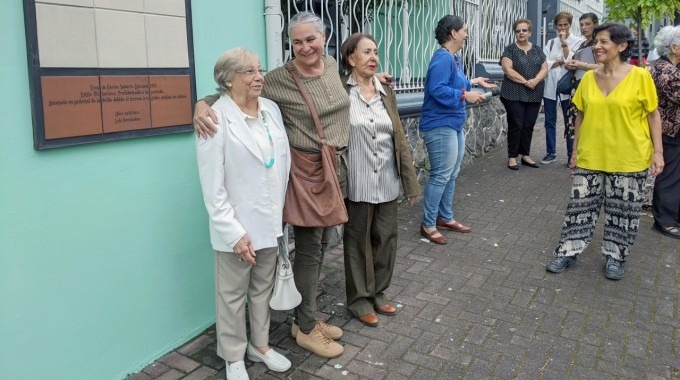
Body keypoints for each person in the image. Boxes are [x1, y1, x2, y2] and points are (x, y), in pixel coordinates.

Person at [193, 12, 397, 359]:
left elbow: (345, 89)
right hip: (305, 174)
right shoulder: (279, 79)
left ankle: (308, 316)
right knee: (309, 248)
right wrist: (199, 104)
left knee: (322, 245)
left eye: (310, 39)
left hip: (336, 169)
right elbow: (229, 92)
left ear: (324, 37)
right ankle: (305, 327)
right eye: (296, 42)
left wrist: (374, 76)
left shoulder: (332, 65)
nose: (304, 47)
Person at [195, 47, 292, 379]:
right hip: (237, 226)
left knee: (261, 288)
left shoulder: (271, 110)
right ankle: (233, 355)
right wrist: (234, 233)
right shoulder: (213, 118)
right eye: (249, 72)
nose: (259, 77)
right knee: (233, 295)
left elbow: (279, 164)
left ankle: (260, 345)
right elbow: (212, 187)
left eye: (259, 70)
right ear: (227, 80)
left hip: (270, 221)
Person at [545, 23, 664, 280]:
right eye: (596, 41)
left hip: (629, 157)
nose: (597, 46)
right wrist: (575, 151)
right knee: (580, 207)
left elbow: (654, 115)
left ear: (621, 46)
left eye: (604, 42)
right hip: (591, 155)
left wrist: (658, 153)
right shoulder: (588, 79)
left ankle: (615, 257)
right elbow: (580, 115)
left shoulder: (641, 77)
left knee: (623, 212)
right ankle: (567, 251)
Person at [338, 33, 421, 327]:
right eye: (366, 52)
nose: (374, 57)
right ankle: (359, 301)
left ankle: (379, 293)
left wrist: (410, 182)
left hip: (387, 180)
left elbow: (398, 137)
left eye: (375, 52)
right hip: (357, 182)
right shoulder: (340, 91)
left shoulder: (387, 92)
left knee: (386, 240)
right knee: (358, 243)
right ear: (351, 59)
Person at [418, 15, 496, 245]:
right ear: (453, 33)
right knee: (441, 175)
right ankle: (428, 224)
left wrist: (474, 82)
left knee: (451, 174)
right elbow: (436, 89)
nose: (467, 34)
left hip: (453, 123)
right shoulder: (443, 58)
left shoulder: (454, 58)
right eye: (464, 30)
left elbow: (452, 82)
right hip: (439, 125)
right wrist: (464, 94)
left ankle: (445, 218)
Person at [499, 18, 548, 170]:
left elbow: (545, 68)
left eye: (524, 30)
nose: (521, 33)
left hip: (534, 92)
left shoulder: (538, 50)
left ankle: (525, 155)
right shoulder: (510, 49)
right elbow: (507, 69)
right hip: (514, 92)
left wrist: (536, 80)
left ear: (530, 32)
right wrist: (526, 81)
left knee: (528, 125)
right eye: (518, 31)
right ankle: (512, 157)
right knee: (517, 124)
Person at [541, 11, 583, 165]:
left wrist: (565, 43)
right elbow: (544, 63)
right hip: (550, 85)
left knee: (569, 120)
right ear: (556, 26)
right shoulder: (551, 43)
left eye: (565, 25)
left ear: (570, 25)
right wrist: (557, 62)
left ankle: (570, 154)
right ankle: (550, 152)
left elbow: (571, 60)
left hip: (567, 86)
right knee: (549, 119)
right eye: (560, 25)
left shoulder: (578, 42)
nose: (562, 28)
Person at [650, 25, 680, 239]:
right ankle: (664, 220)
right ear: (674, 47)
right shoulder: (664, 69)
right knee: (669, 176)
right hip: (668, 129)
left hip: (675, 129)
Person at [564, 13, 601, 166]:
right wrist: (570, 65)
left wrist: (580, 64)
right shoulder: (583, 44)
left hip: (591, 86)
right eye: (581, 24)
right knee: (577, 122)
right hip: (577, 86)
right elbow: (576, 62)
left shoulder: (597, 44)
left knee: (587, 122)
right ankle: (578, 157)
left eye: (587, 24)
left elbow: (602, 66)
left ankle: (588, 159)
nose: (584, 27)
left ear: (595, 24)